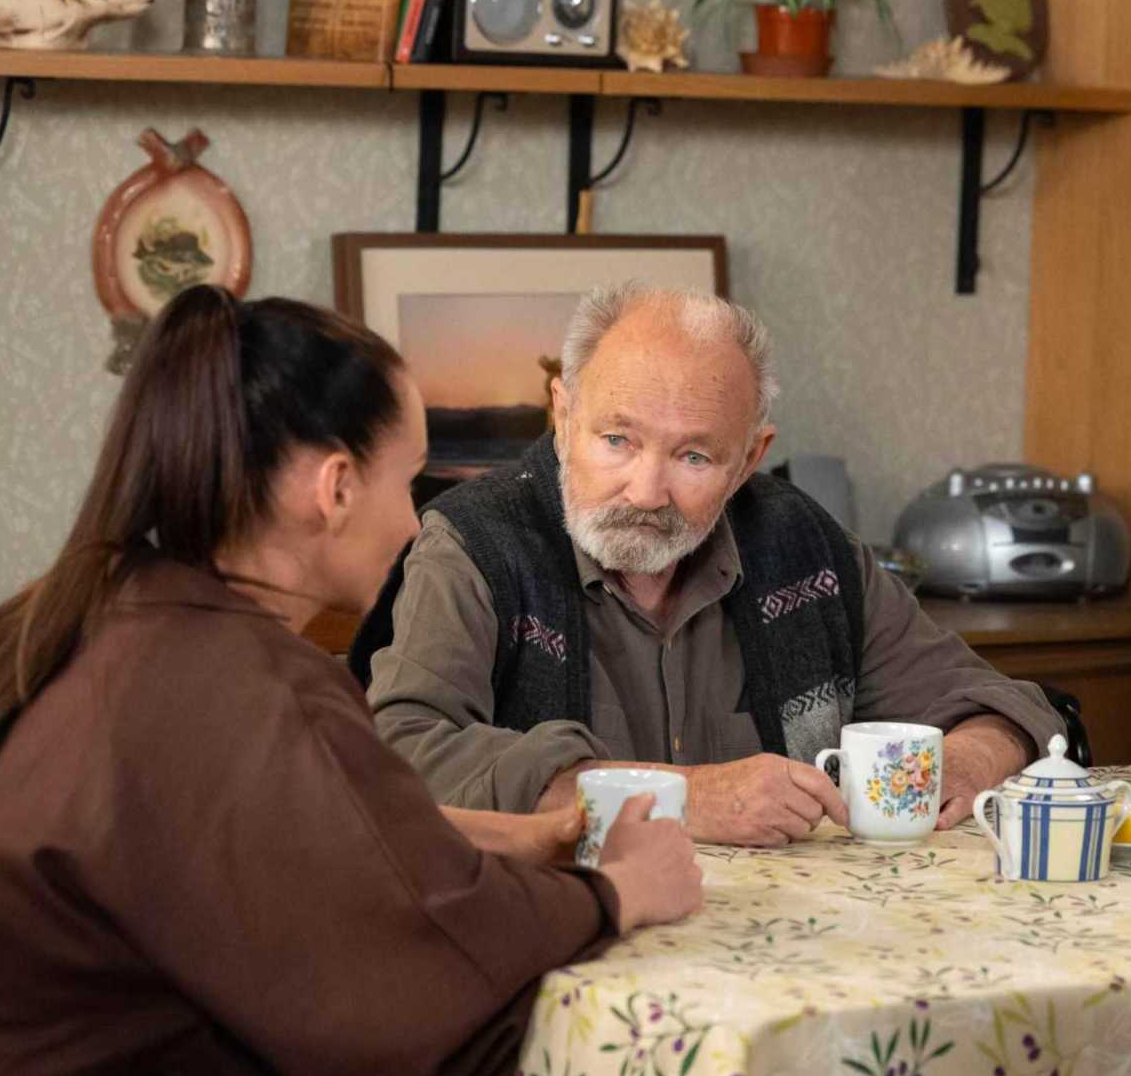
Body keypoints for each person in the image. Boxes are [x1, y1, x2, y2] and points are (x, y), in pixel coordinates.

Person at [0, 288, 703, 1076]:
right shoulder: (244, 679)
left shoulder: (84, 610)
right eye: (408, 481)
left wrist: (502, 837)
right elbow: (411, 988)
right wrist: (620, 892)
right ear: (335, 487)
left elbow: (275, 841)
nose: (415, 524)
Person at [353, 283, 1062, 845]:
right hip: (560, 942)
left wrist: (970, 760)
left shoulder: (805, 546)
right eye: (617, 440)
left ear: (750, 458)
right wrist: (684, 799)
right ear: (563, 416)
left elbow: (1003, 704)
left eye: (693, 456)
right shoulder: (474, 546)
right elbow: (402, 755)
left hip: (795, 949)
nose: (646, 491)